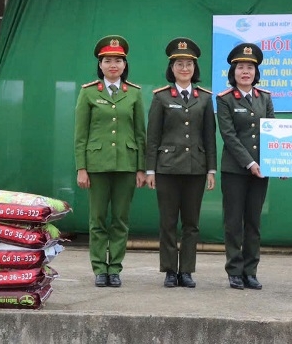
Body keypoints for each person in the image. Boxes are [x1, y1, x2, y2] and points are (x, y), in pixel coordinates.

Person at [74, 35, 147, 288]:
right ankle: (99, 269)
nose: (113, 65)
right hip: (96, 166)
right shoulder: (88, 93)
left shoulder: (135, 94)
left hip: (127, 165)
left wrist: (141, 167)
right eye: (108, 60)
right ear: (100, 64)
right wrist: (81, 168)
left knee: (120, 219)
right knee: (97, 220)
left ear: (125, 65)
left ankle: (114, 268)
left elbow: (140, 134)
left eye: (118, 60)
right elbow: (80, 135)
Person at [145, 37, 217, 289]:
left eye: (189, 64)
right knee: (167, 222)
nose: (184, 68)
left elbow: (209, 136)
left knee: (191, 223)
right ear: (171, 68)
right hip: (166, 169)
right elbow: (152, 136)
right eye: (179, 64)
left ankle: (186, 270)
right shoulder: (161, 97)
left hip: (195, 168)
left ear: (195, 69)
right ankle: (168, 270)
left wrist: (211, 169)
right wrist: (150, 169)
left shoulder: (205, 98)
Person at [216, 42, 274, 290]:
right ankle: (234, 271)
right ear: (233, 72)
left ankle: (251, 271)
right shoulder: (225, 99)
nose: (245, 72)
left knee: (253, 222)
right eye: (240, 67)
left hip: (262, 170)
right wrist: (249, 162)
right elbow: (229, 136)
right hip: (235, 170)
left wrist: (278, 162)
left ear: (256, 71)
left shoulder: (265, 98)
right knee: (233, 222)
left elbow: (273, 131)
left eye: (250, 67)